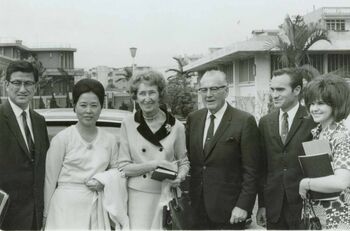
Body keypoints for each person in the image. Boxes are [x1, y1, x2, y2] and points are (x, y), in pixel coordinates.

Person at [44, 78, 127, 229]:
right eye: (83, 105)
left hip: (97, 207)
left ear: (101, 107)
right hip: (64, 208)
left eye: (94, 105)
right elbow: (50, 181)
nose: (88, 111)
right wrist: (46, 215)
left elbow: (117, 173)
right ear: (74, 106)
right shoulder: (62, 139)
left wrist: (103, 181)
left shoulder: (109, 140)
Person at [186, 70, 260, 230]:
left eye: (214, 89)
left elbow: (252, 171)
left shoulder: (244, 121)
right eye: (204, 90)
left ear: (226, 91)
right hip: (196, 210)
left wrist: (243, 206)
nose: (208, 94)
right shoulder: (194, 119)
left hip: (230, 211)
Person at [117, 70, 189, 229]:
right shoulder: (128, 124)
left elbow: (184, 162)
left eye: (152, 92)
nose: (147, 98)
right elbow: (123, 167)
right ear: (136, 96)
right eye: (142, 93)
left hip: (166, 195)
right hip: (137, 196)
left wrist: (180, 177)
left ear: (160, 95)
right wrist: (154, 165)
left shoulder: (176, 126)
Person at [256, 67, 316, 229]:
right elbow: (262, 168)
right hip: (273, 207)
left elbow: (318, 167)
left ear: (297, 90)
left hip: (304, 205)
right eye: (272, 89)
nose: (274, 94)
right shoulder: (265, 122)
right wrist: (262, 204)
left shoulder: (313, 120)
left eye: (280, 89)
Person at [0, 60, 50, 230]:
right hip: (5, 218)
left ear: (35, 87)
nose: (22, 89)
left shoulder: (39, 121)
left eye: (28, 83)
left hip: (35, 219)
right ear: (6, 85)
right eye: (16, 83)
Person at [299, 75, 350, 229]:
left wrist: (305, 183)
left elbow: (341, 182)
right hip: (318, 216)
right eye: (311, 103)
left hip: (338, 217)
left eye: (321, 103)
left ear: (336, 104)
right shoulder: (318, 132)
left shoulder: (342, 137)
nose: (314, 108)